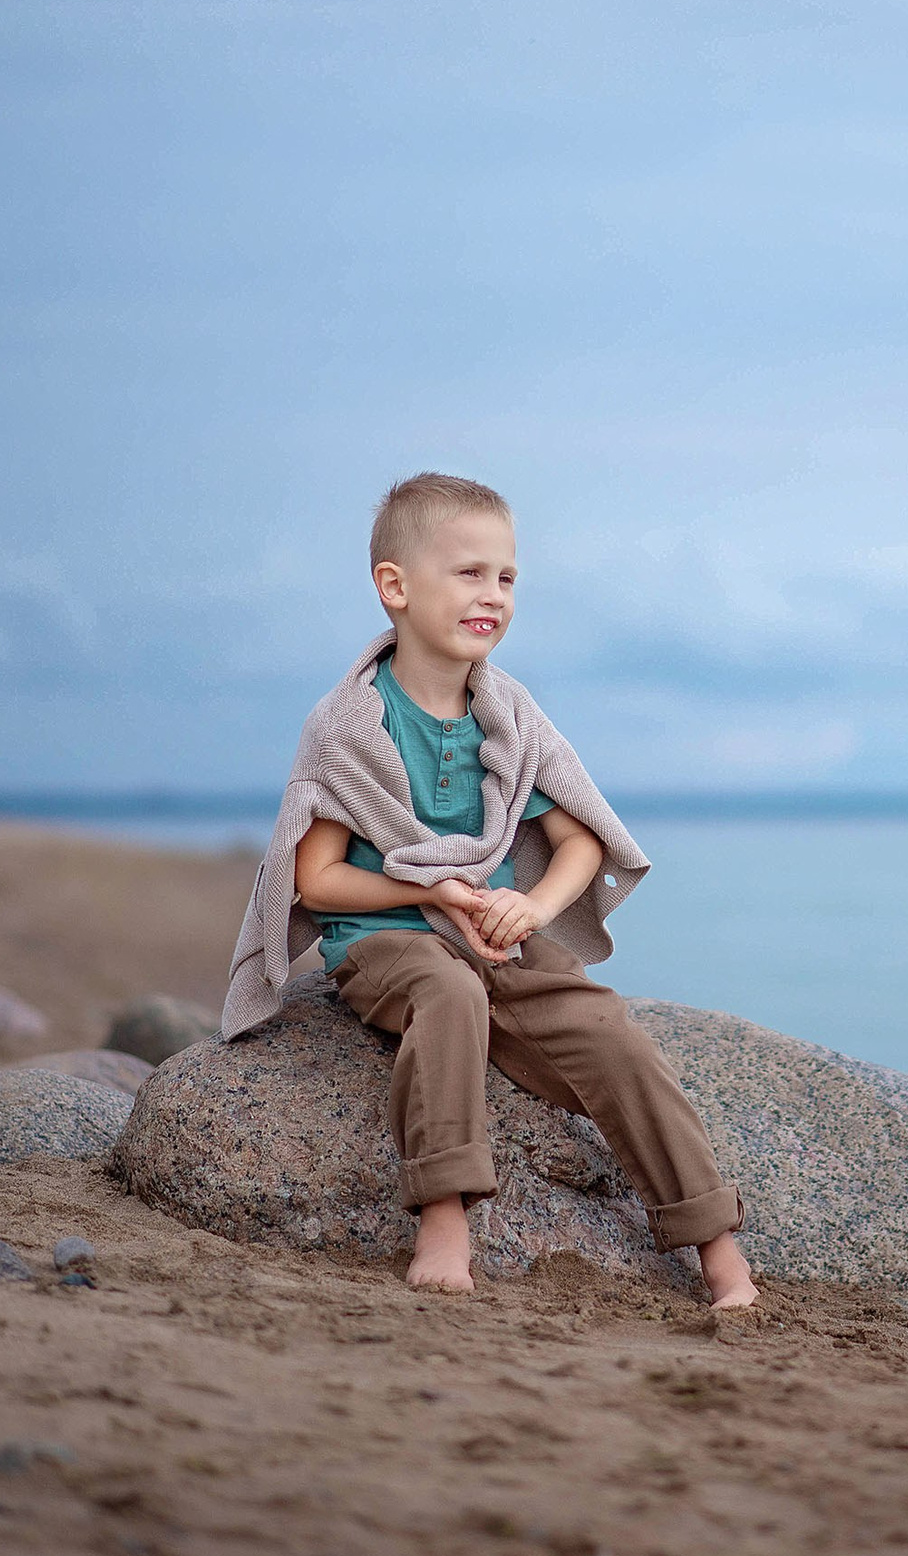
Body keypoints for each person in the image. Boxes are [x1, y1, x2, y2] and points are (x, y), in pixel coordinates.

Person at [221, 472, 756, 1308]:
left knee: (609, 1028)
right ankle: (442, 1212)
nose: (494, 595)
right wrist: (438, 896)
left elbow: (582, 842)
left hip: (501, 937)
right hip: (390, 942)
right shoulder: (349, 724)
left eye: (506, 577)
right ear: (394, 587)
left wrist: (531, 907)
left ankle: (715, 1243)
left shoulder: (508, 715)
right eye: (469, 573)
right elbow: (315, 877)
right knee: (447, 994)